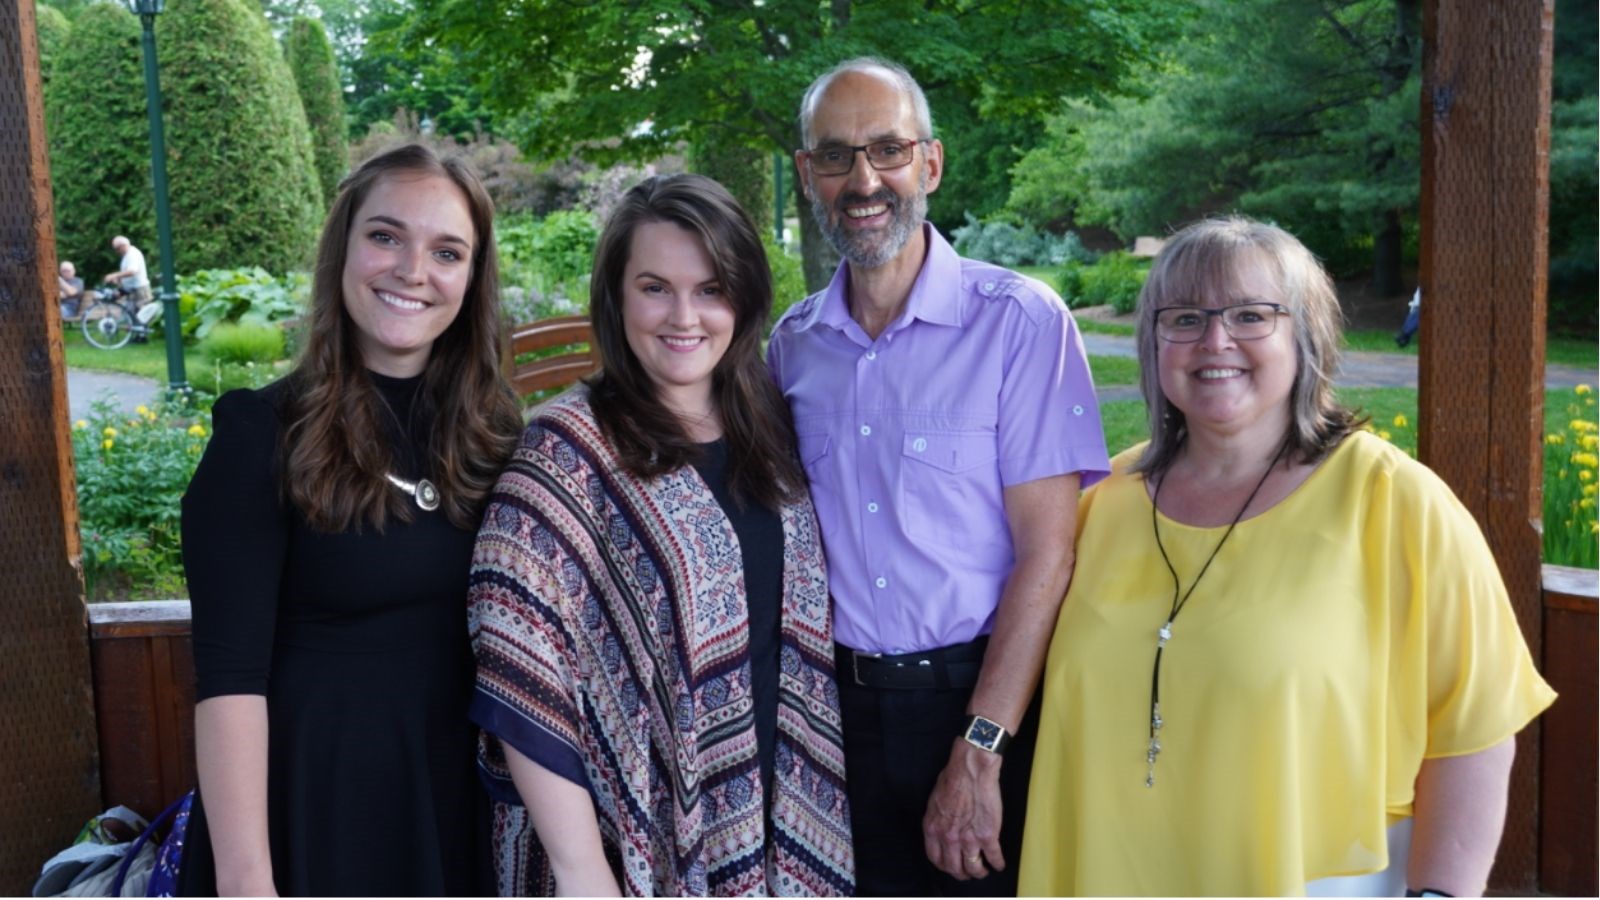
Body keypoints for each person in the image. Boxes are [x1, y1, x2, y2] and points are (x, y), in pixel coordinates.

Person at [1018, 217, 1557, 896]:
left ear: (1305, 334)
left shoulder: (1393, 502)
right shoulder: (1102, 502)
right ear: (1153, 341)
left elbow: (1474, 730)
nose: (1215, 341)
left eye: (1251, 315)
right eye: (1184, 317)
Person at [766, 57, 1110, 896]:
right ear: (809, 175)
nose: (865, 179)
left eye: (888, 149)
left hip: (977, 706)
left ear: (930, 163)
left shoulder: (1021, 323)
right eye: (838, 156)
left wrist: (980, 750)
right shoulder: (790, 347)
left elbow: (1049, 556)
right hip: (830, 719)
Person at [468, 174, 854, 897]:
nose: (685, 315)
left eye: (712, 288)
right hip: (624, 848)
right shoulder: (566, 453)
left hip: (776, 824)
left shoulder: (768, 427)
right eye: (655, 287)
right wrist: (586, 875)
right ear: (615, 295)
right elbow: (519, 671)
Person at [177, 143, 523, 896]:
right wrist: (246, 883)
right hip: (314, 816)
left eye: (447, 251)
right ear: (343, 246)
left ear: (472, 276)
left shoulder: (496, 438)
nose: (412, 270)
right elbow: (230, 680)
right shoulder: (262, 434)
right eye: (385, 236)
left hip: (458, 806)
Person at [103, 235, 152, 306]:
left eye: (117, 249)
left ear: (123, 246)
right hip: (131, 291)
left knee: (142, 315)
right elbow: (127, 273)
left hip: (140, 291)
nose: (117, 252)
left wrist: (114, 275)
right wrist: (119, 279)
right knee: (128, 315)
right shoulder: (126, 256)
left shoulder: (133, 254)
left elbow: (132, 271)